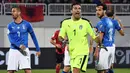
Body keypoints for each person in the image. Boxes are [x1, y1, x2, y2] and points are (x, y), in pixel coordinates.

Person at [58, 2, 99, 73]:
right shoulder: (65, 23)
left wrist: (98, 42)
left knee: (75, 70)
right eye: (75, 8)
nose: (77, 10)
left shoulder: (86, 22)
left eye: (79, 9)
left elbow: (94, 36)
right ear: (71, 11)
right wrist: (65, 41)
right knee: (74, 71)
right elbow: (60, 36)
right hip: (72, 52)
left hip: (82, 51)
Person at [7, 6, 41, 73]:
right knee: (10, 71)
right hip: (13, 50)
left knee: (27, 70)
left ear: (19, 12)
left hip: (24, 50)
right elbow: (11, 39)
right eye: (12, 11)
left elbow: (33, 37)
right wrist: (19, 45)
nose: (12, 13)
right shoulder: (10, 25)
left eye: (14, 11)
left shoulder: (27, 24)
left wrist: (38, 49)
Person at [94, 3, 124, 73]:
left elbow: (100, 37)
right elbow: (122, 33)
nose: (97, 12)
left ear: (104, 11)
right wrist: (119, 22)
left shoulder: (101, 22)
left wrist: (97, 49)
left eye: (99, 10)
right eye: (96, 10)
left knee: (100, 70)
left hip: (105, 47)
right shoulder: (113, 21)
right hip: (112, 46)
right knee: (109, 67)